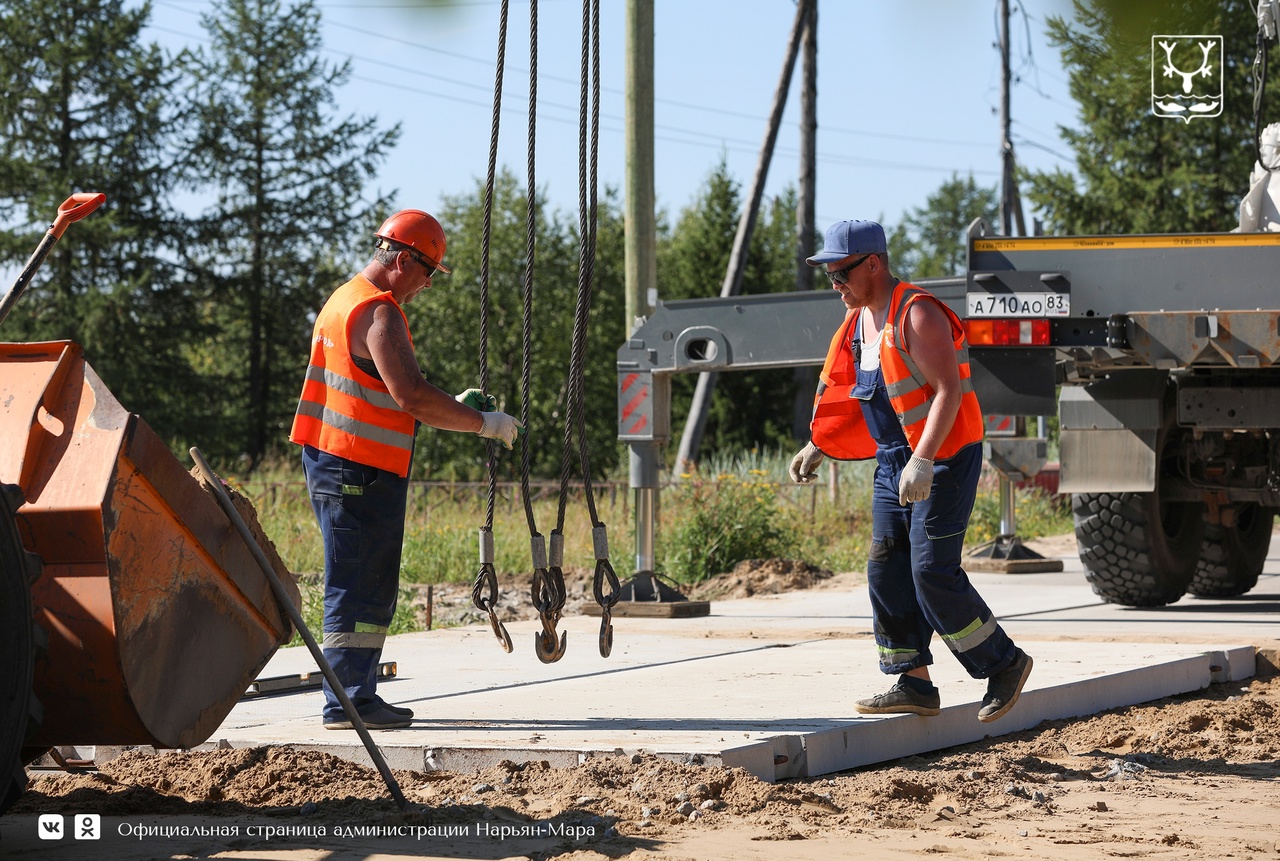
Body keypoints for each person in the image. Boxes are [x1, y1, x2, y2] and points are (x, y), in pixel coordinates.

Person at [790, 219, 1032, 723]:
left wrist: (923, 459)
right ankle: (914, 683)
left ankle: (1004, 663)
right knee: (886, 566)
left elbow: (948, 392)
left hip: (941, 459)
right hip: (892, 464)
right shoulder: (859, 323)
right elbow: (866, 400)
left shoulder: (916, 313)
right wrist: (820, 445)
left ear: (873, 264)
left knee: (931, 572)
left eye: (841, 273)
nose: (835, 284)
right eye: (830, 275)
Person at [290, 209, 522, 730]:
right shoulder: (379, 313)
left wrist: (456, 404)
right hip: (358, 469)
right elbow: (412, 395)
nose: (425, 286)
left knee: (359, 579)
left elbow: (374, 390)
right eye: (426, 272)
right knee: (358, 584)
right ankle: (349, 700)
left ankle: (355, 695)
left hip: (334, 461)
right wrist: (484, 423)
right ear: (402, 259)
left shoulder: (342, 300)